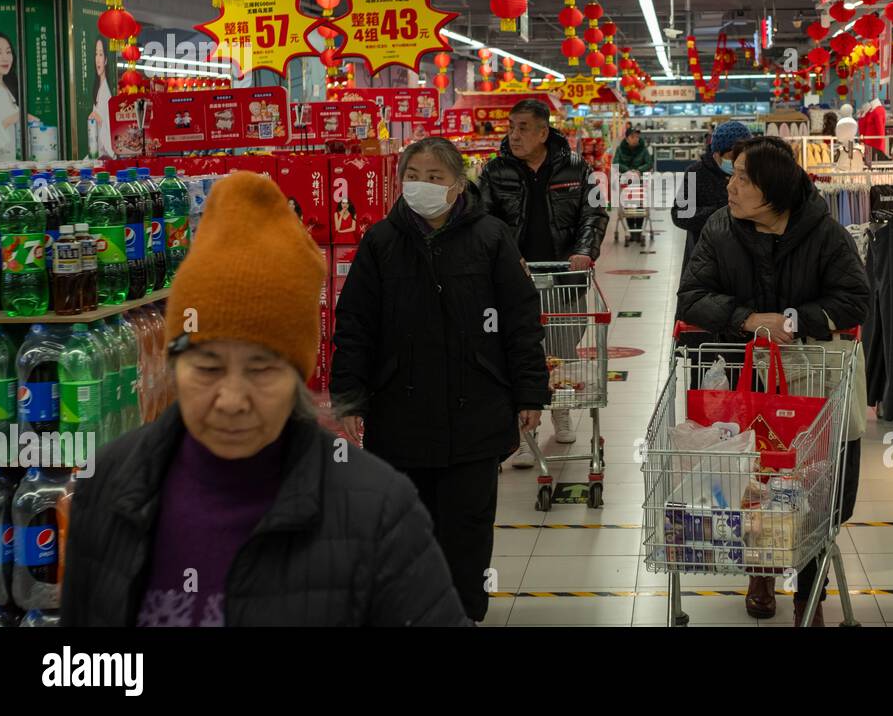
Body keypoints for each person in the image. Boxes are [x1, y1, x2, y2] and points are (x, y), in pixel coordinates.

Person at [61, 171, 468, 626]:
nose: (232, 399)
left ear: (299, 377)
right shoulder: (109, 488)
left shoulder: (378, 511)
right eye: (208, 367)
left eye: (262, 369)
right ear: (172, 364)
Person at [331, 138, 548, 622]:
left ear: (457, 184)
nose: (422, 186)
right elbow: (355, 325)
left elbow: (519, 319)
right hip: (399, 411)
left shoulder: (491, 237)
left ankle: (464, 612)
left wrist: (530, 391)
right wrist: (349, 398)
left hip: (477, 409)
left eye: (435, 177)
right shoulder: (380, 242)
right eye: (414, 175)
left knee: (468, 526)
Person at [676, 135, 869, 627]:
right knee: (757, 482)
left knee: (819, 491)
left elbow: (855, 299)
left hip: (814, 380)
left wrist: (791, 321)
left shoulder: (824, 233)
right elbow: (691, 297)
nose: (731, 185)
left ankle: (810, 593)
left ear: (775, 192)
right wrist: (747, 319)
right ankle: (761, 568)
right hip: (748, 383)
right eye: (733, 173)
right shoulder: (720, 229)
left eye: (744, 178)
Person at [479, 98, 608, 457]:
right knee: (517, 354)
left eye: (523, 127)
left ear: (543, 131)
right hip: (512, 281)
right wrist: (506, 258)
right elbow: (483, 222)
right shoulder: (494, 172)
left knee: (560, 351)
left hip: (563, 280)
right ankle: (521, 431)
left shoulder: (579, 169)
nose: (514, 135)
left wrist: (584, 251)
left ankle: (561, 412)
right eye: (511, 126)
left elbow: (594, 215)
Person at [671, 120, 752, 275]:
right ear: (716, 154)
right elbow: (680, 214)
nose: (738, 162)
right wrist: (723, 212)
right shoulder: (696, 173)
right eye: (732, 157)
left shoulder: (753, 173)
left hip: (743, 262)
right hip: (704, 260)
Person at [0, 31, 21, 164]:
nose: (5, 58)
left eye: (8, 52)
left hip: (11, 164)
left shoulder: (8, 86)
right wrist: (10, 120)